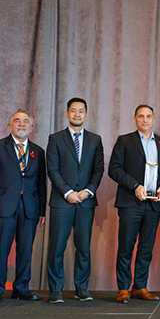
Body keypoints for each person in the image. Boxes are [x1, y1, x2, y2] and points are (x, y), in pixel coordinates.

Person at [108, 104, 160, 304]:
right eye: (141, 116)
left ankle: (140, 286)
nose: (145, 120)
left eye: (148, 116)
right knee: (126, 246)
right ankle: (123, 288)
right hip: (131, 202)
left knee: (146, 248)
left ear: (154, 119)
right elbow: (114, 169)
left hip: (154, 204)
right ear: (135, 119)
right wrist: (134, 186)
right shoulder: (125, 141)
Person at [0, 109, 47, 305]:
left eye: (25, 121)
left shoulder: (38, 151)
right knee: (1, 249)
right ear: (9, 126)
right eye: (17, 121)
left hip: (30, 209)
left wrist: (42, 211)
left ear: (31, 127)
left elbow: (41, 184)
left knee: (25, 250)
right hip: (4, 208)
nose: (21, 124)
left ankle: (21, 288)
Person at [46, 97, 105, 304]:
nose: (77, 114)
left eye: (81, 111)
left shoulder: (95, 139)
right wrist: (68, 192)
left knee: (83, 247)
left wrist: (88, 191)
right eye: (73, 111)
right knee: (57, 247)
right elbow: (52, 169)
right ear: (67, 114)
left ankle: (82, 288)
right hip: (62, 201)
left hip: (86, 202)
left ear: (86, 115)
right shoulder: (55, 138)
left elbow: (99, 169)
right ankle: (55, 290)